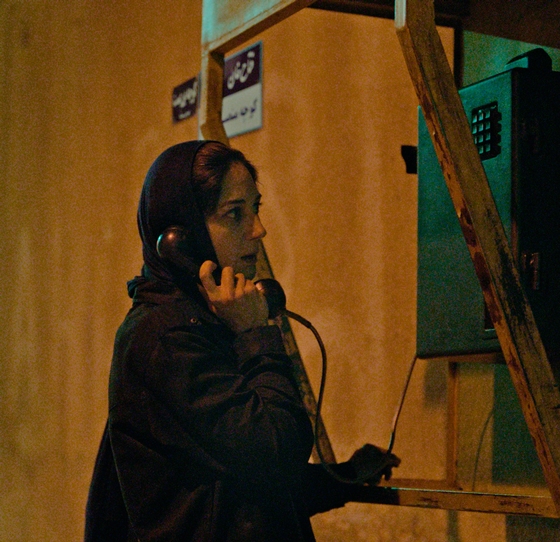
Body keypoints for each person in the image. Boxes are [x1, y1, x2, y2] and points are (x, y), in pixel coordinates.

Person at [85, 140, 399, 541]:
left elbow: (243, 483)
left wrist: (346, 476)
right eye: (235, 213)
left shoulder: (205, 320)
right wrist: (255, 335)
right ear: (181, 237)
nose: (258, 229)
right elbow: (276, 453)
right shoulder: (169, 338)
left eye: (256, 208)